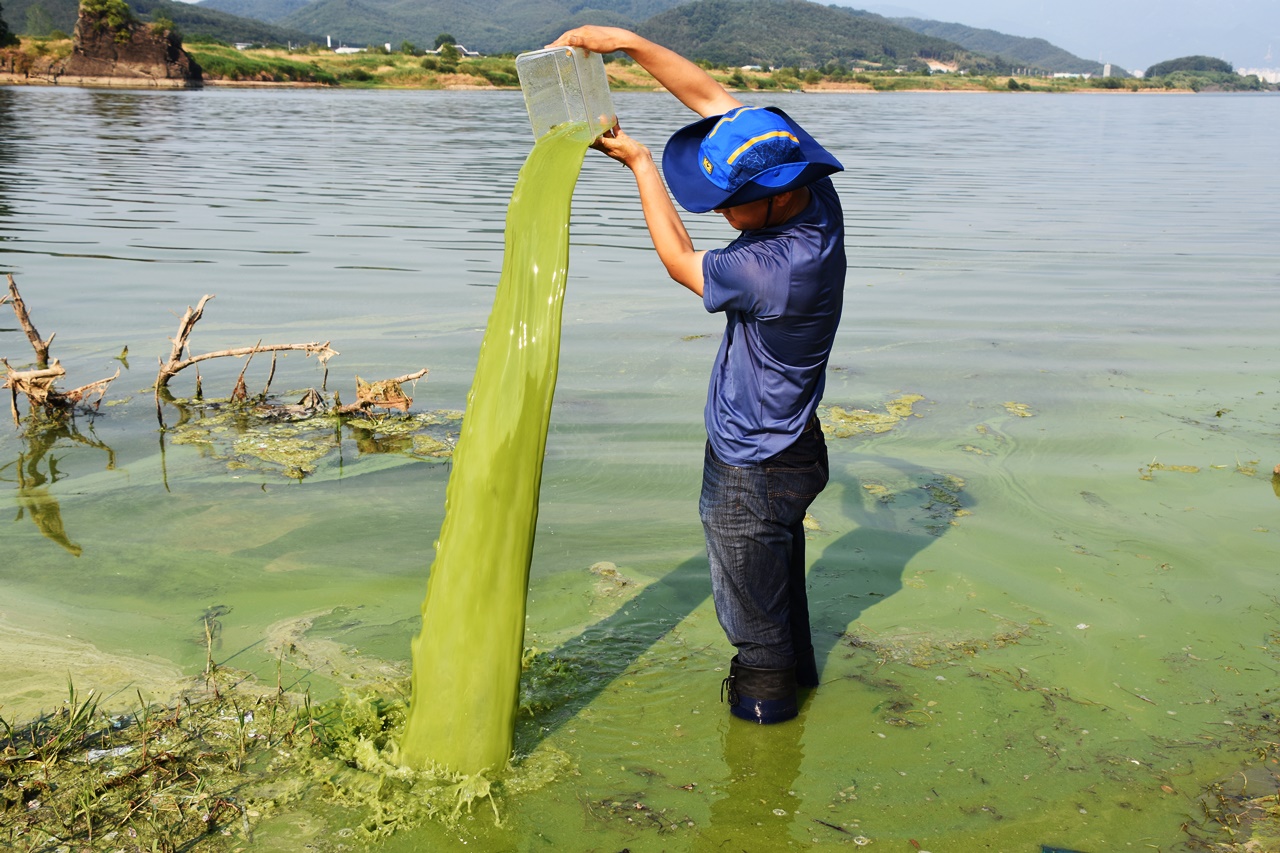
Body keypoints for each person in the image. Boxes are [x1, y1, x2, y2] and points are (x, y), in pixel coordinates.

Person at [550, 26, 846, 724]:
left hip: (754, 463)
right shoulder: (815, 202)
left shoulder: (771, 270)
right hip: (796, 446)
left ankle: (762, 749)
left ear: (775, 198)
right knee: (779, 599)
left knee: (754, 629)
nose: (715, 210)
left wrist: (643, 165)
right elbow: (713, 98)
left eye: (727, 201)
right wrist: (625, 42)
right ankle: (794, 687)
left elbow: (682, 261)